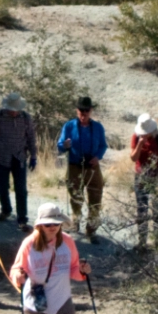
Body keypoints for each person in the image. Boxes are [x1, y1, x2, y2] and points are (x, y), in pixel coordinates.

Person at [56, 95, 107, 241]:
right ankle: (75, 222)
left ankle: (91, 229)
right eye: (81, 110)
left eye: (86, 110)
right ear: (76, 110)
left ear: (91, 110)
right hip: (75, 165)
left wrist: (98, 156)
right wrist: (64, 146)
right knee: (75, 196)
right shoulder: (69, 126)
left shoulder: (98, 127)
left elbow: (103, 146)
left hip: (92, 166)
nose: (83, 113)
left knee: (95, 196)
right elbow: (60, 145)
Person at [0, 92, 38, 227]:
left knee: (21, 189)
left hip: (19, 157)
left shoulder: (25, 118)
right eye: (11, 110)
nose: (14, 112)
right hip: (2, 156)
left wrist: (34, 156)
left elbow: (31, 138)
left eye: (16, 110)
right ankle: (6, 210)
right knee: (2, 186)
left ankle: (22, 218)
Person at [130, 113, 158, 249]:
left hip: (157, 177)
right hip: (141, 178)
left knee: (157, 210)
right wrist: (140, 145)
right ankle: (142, 242)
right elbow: (133, 158)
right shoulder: (136, 137)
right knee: (142, 210)